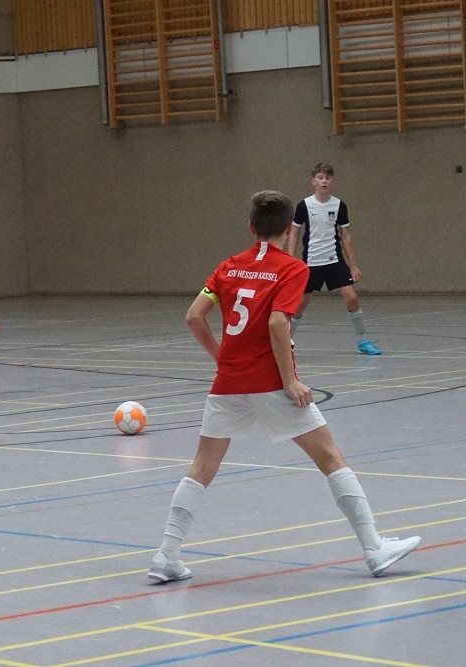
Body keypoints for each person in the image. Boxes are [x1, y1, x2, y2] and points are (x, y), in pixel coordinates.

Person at [148, 191, 419, 584]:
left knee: (202, 467)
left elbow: (194, 317)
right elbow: (278, 323)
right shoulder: (292, 269)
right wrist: (289, 380)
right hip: (271, 382)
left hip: (228, 384)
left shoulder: (228, 267)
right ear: (290, 228)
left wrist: (222, 358)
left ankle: (166, 555)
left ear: (251, 227)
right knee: (330, 457)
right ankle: (374, 548)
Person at [286, 162, 381, 355]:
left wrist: (353, 265)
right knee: (301, 303)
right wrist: (290, 260)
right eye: (320, 178)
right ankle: (285, 342)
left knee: (352, 297)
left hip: (334, 260)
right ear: (313, 181)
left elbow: (346, 235)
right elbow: (294, 232)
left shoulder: (339, 205)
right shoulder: (304, 205)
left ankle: (363, 341)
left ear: (333, 181)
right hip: (311, 261)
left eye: (327, 178)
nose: (324, 181)